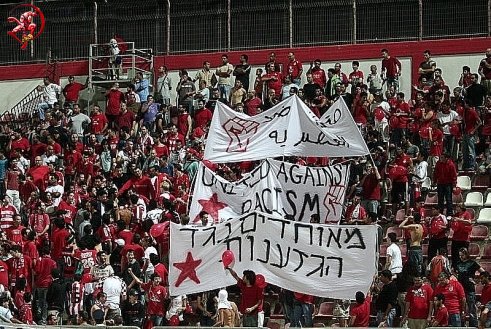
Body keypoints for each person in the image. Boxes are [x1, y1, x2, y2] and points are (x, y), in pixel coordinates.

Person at [455, 247, 485, 327]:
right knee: (461, 308)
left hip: (469, 288)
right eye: (459, 255)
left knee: (471, 308)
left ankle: (473, 325)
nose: (461, 257)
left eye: (462, 255)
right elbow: (453, 272)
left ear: (466, 254)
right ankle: (461, 324)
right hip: (460, 288)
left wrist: (476, 280)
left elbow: (483, 272)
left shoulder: (472, 263)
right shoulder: (458, 263)